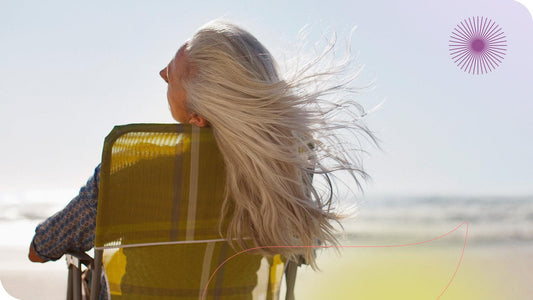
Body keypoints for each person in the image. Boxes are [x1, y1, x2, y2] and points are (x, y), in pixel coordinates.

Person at [29, 18, 380, 292]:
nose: (162, 73)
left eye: (173, 75)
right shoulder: (279, 176)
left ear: (197, 116)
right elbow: (304, 251)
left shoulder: (133, 172)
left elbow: (42, 246)